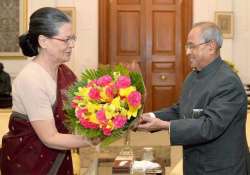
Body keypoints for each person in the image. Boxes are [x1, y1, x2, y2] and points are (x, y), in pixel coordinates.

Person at [136, 22, 248, 175]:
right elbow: (181, 110)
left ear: (211, 46)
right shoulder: (192, 76)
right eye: (186, 46)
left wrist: (164, 125)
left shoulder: (228, 82)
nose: (187, 52)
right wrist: (150, 117)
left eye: (192, 46)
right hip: (194, 165)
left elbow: (209, 126)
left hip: (221, 168)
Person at [0, 7, 99, 175]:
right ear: (43, 41)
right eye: (66, 40)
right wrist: (93, 139)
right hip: (31, 165)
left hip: (59, 158)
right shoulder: (31, 79)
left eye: (72, 38)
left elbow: (81, 111)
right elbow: (50, 138)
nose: (72, 45)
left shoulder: (65, 72)